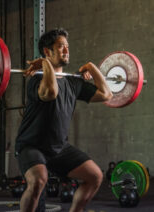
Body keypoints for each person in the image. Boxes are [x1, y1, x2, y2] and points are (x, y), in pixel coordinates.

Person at [15, 28, 113, 212]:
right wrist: (45, 64)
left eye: (67, 47)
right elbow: (51, 92)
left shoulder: (73, 83)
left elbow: (107, 94)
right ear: (47, 51)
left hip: (58, 147)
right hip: (31, 145)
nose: (66, 51)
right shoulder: (36, 79)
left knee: (95, 176)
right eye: (61, 47)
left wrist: (91, 67)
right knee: (38, 180)